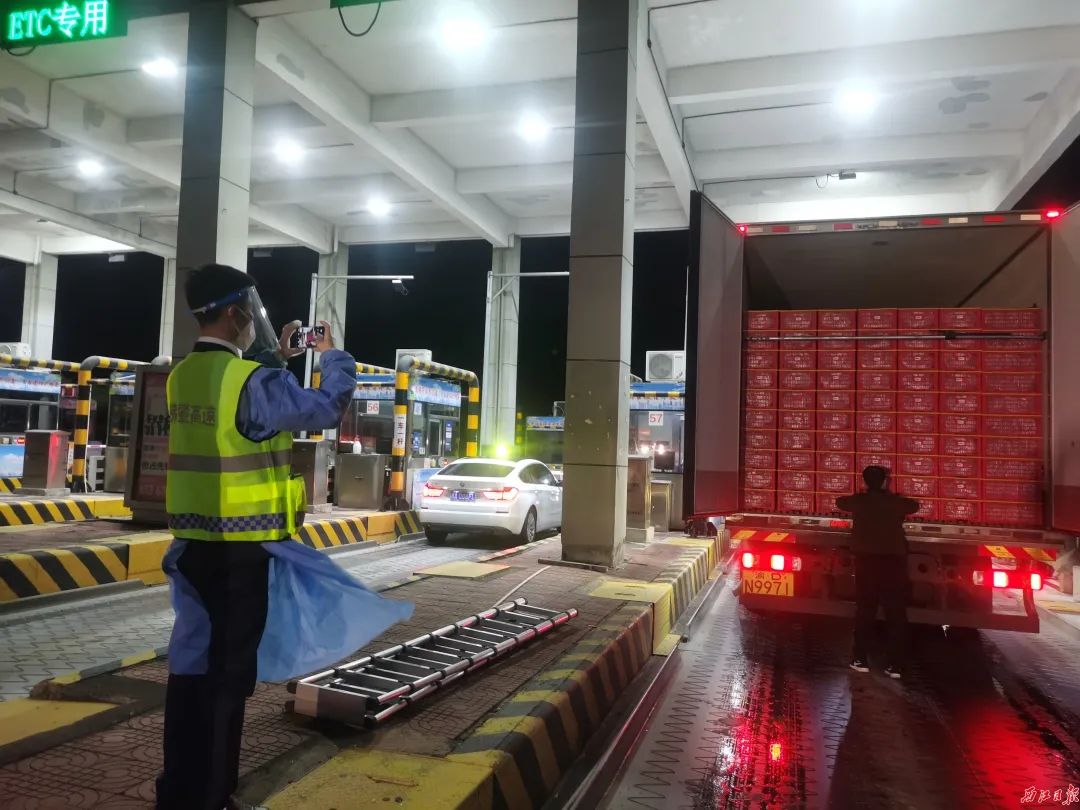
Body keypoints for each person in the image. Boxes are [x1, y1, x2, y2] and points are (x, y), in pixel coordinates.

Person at [156, 264, 413, 810]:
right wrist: (333, 357)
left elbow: (242, 409)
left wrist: (278, 358)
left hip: (191, 548)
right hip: (240, 556)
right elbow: (324, 408)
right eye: (250, 313)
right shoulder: (251, 381)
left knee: (191, 669)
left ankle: (176, 789)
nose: (253, 322)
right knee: (227, 680)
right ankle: (211, 797)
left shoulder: (185, 375)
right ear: (235, 314)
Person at [835, 465, 919, 680]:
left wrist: (862, 494)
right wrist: (892, 496)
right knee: (895, 614)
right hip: (893, 564)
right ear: (884, 482)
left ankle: (860, 660)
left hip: (866, 563)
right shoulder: (896, 503)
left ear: (864, 482)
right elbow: (914, 506)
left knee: (865, 611)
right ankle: (896, 666)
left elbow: (840, 502)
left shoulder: (859, 502)